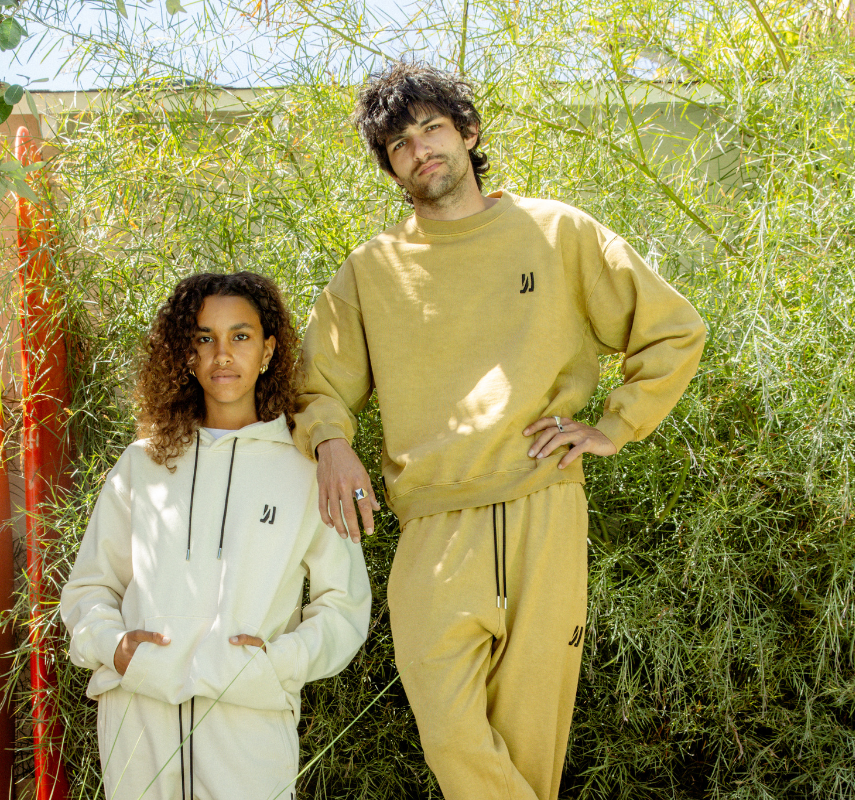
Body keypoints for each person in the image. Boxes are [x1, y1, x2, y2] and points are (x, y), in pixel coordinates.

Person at [293, 62, 707, 800]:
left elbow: (673, 330)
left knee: (529, 748)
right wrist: (331, 443)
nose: (420, 150)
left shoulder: (558, 232)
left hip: (544, 506)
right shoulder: (372, 270)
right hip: (431, 526)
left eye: (432, 128)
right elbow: (317, 384)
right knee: (451, 734)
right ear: (390, 167)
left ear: (468, 132)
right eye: (399, 144)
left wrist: (614, 426)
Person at [61, 272, 371, 800]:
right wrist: (115, 648)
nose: (222, 354)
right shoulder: (143, 464)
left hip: (249, 730)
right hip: (138, 723)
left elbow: (344, 606)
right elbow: (89, 588)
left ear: (269, 350)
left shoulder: (305, 472)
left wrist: (276, 664)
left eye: (240, 336)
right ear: (187, 353)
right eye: (205, 338)